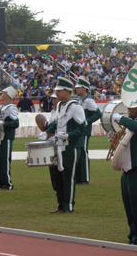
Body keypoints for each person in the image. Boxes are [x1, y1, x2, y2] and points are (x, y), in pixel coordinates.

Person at [40, 77, 85, 213]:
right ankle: (61, 205)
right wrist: (47, 132)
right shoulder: (60, 105)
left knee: (68, 177)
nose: (56, 93)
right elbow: (55, 123)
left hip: (70, 147)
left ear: (67, 91)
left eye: (59, 91)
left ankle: (69, 206)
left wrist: (68, 135)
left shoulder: (76, 107)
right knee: (58, 177)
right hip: (58, 146)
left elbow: (81, 128)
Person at [111, 101, 137, 246]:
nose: (128, 109)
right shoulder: (130, 124)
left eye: (132, 106)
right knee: (129, 207)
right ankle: (133, 235)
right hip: (127, 169)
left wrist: (122, 119)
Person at [74, 76, 103, 185]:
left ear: (84, 88)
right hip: (79, 131)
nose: (76, 89)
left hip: (85, 131)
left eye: (78, 88)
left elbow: (98, 114)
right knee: (79, 153)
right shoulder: (79, 100)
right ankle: (79, 178)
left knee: (83, 153)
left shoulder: (89, 101)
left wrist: (87, 121)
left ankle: (85, 178)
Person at [0, 86, 20, 190]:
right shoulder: (2, 107)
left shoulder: (11, 108)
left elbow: (16, 123)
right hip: (0, 136)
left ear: (8, 95)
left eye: (3, 93)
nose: (1, 95)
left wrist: (3, 122)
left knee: (5, 160)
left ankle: (7, 183)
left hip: (6, 136)